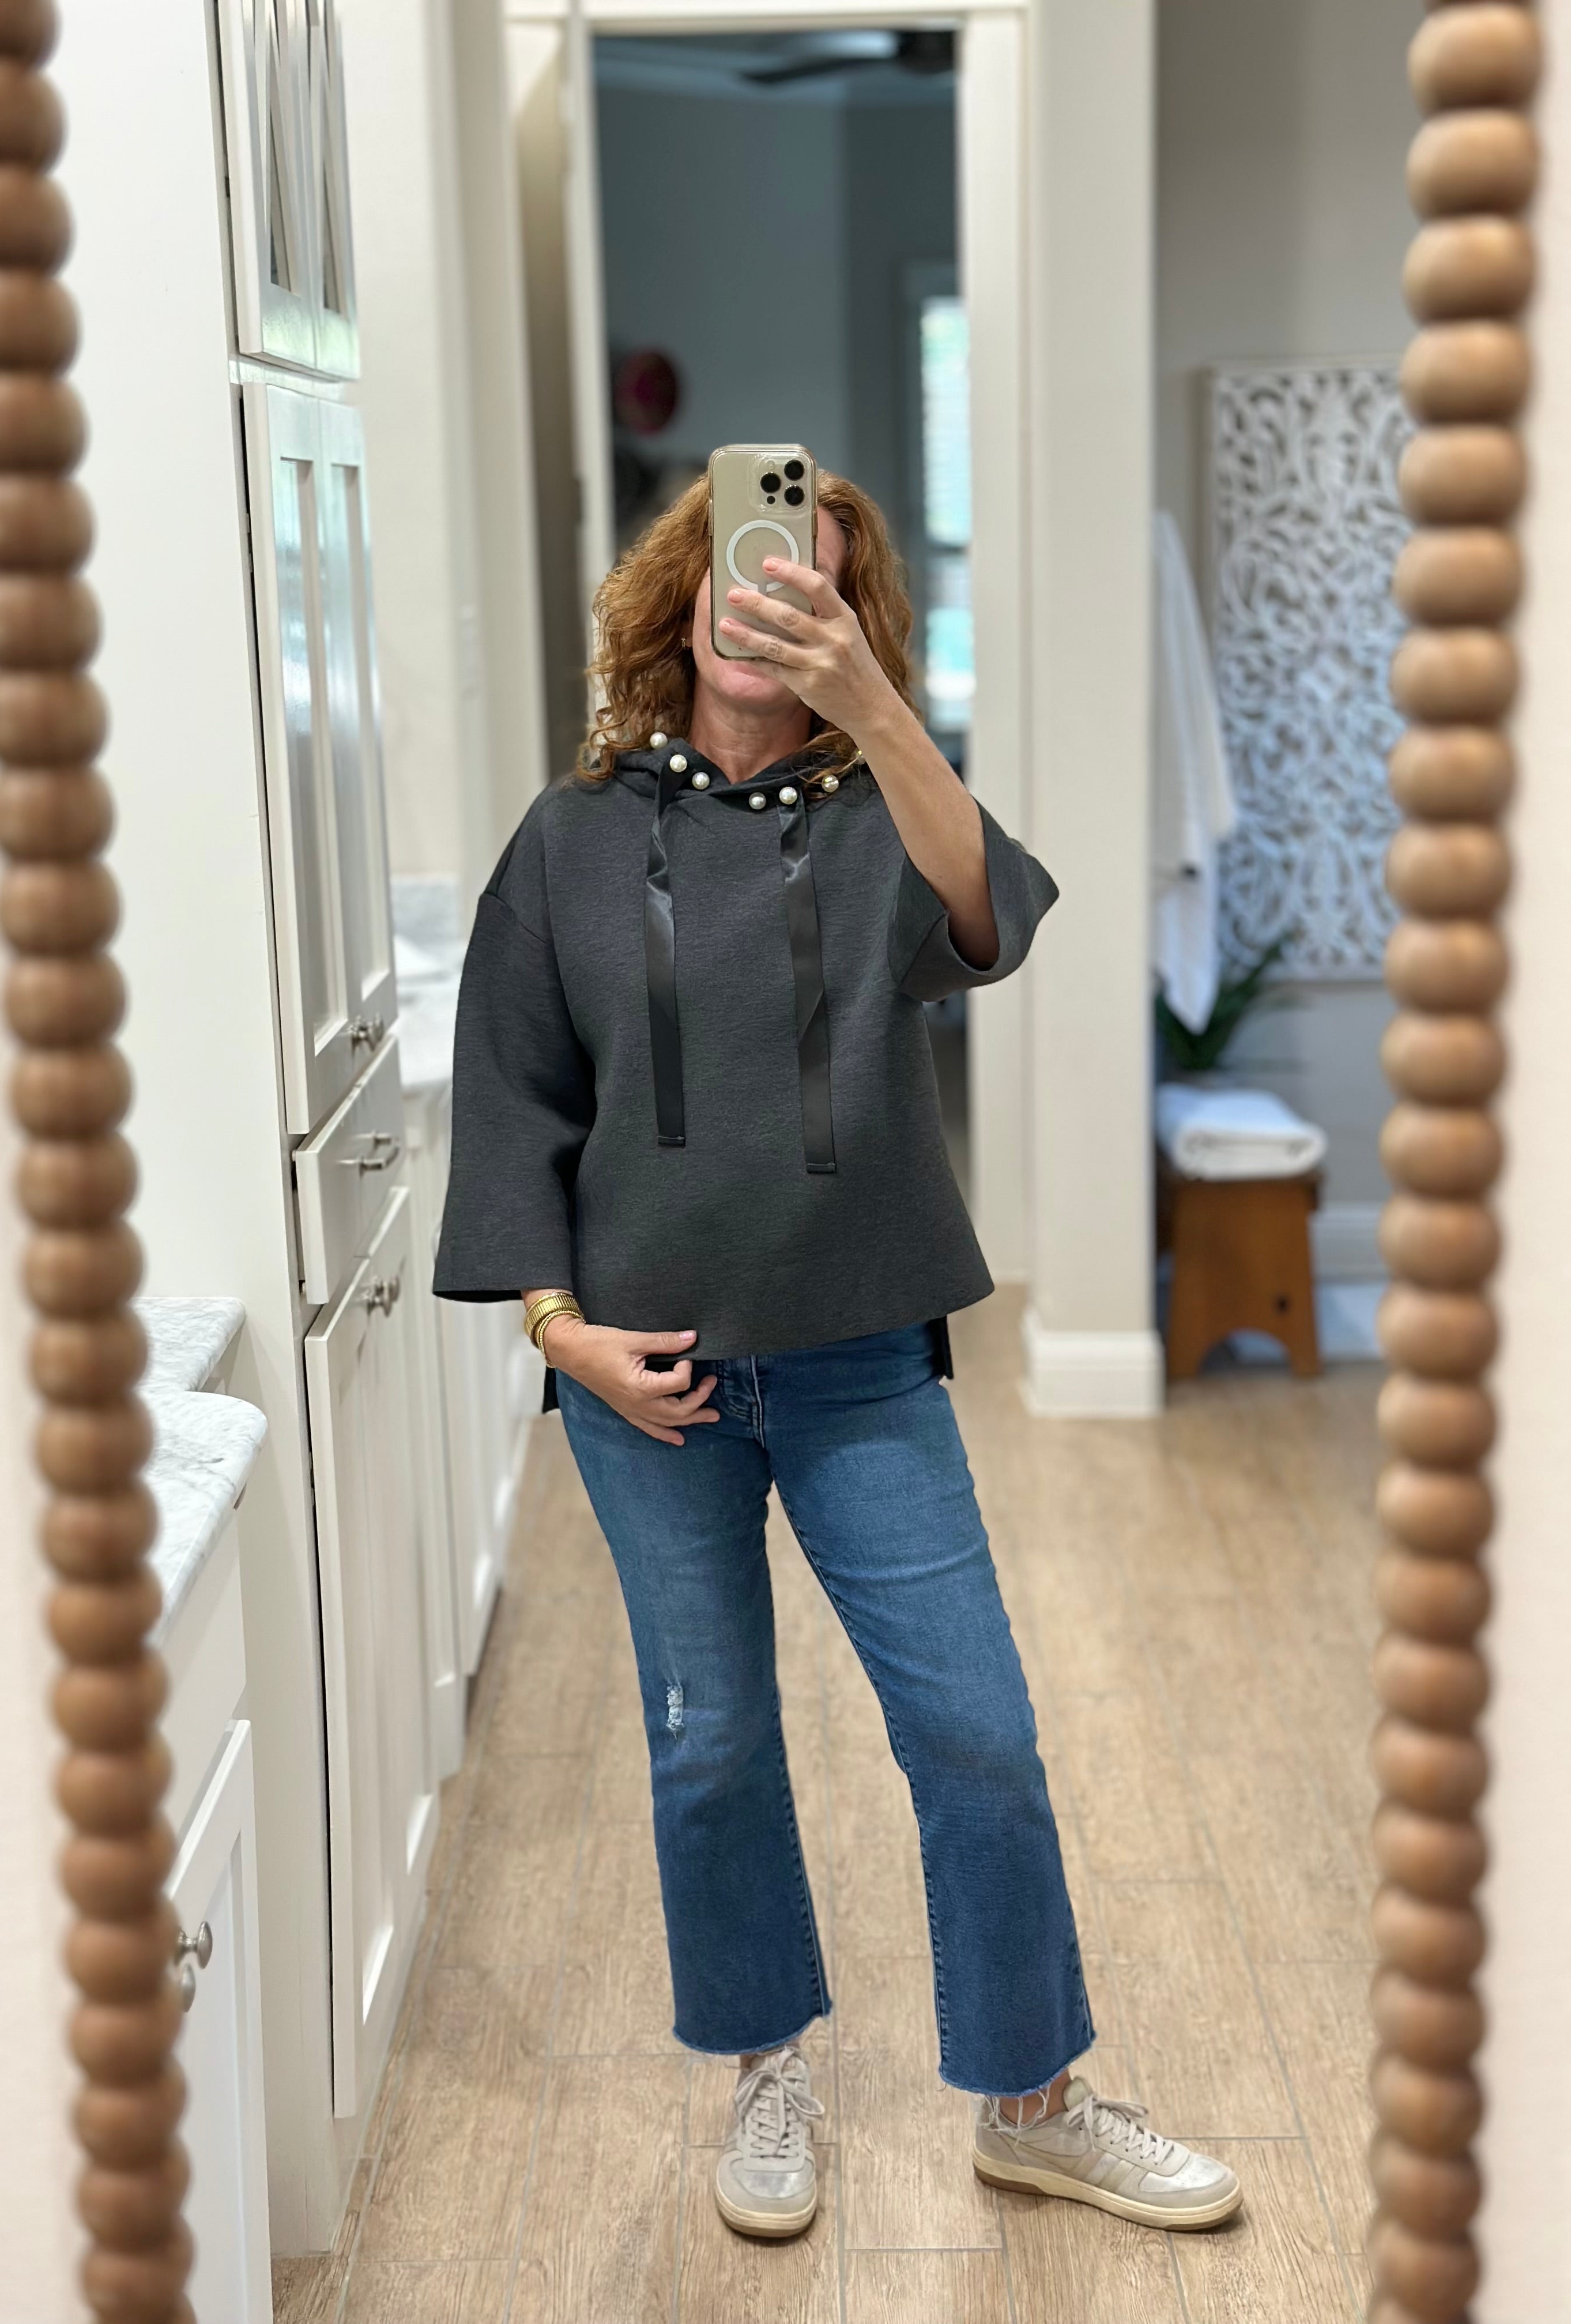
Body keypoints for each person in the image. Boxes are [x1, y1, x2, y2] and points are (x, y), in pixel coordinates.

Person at [434, 468, 1242, 2242]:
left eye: (812, 584)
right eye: (745, 569)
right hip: (648, 1386)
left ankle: (1034, 2103)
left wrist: (877, 710)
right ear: (683, 597)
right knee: (711, 1743)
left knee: (979, 1736)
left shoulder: (885, 813)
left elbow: (993, 920)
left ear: (851, 623)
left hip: (860, 1360)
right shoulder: (572, 842)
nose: (769, 603)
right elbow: (511, 1107)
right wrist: (563, 1336)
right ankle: (767, 2071)